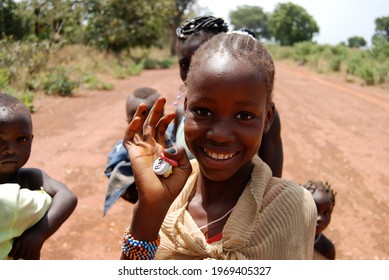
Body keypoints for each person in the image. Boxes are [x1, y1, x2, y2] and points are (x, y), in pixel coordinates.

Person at [120, 32, 317, 260]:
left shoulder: (291, 207)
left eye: (243, 115)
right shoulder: (170, 194)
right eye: (203, 112)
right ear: (186, 108)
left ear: (268, 119)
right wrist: (150, 209)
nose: (220, 135)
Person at [174, 16, 284, 177]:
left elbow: (274, 181)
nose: (193, 72)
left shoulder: (260, 117)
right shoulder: (180, 113)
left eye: (243, 116)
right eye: (185, 64)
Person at [0, 93, 78, 260]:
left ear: (32, 139)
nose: (10, 149)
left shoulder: (30, 177)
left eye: (22, 139)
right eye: (0, 140)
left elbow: (67, 196)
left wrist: (39, 234)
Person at [103, 87, 173, 215]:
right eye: (137, 122)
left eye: (151, 121)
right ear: (128, 121)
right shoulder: (124, 151)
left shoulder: (172, 141)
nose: (145, 128)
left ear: (162, 117)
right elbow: (112, 173)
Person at [303, 180, 336, 260]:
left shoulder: (326, 249)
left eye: (326, 213)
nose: (320, 218)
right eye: (315, 210)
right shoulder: (286, 234)